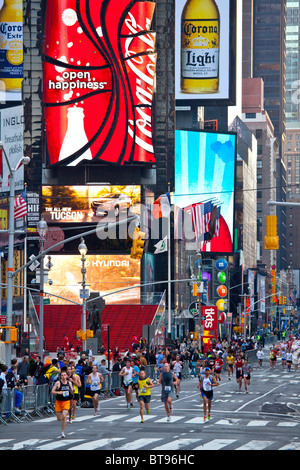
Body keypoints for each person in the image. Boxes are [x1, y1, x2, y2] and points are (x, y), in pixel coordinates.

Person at [51, 368, 74, 438]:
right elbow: (52, 391)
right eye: (62, 375)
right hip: (59, 402)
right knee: (59, 418)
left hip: (66, 401)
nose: (63, 376)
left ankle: (62, 432)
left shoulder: (69, 383)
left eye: (64, 375)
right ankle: (64, 419)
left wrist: (72, 389)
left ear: (67, 376)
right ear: (60, 376)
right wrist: (58, 392)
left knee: (64, 416)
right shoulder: (58, 383)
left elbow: (72, 392)